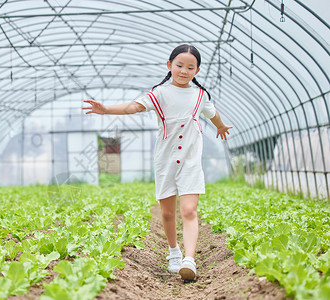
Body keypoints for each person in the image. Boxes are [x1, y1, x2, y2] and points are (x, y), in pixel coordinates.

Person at [83, 44, 232, 281]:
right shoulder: (160, 93)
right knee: (168, 213)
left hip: (191, 161)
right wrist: (107, 110)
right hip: (165, 160)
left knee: (189, 210)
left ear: (197, 71)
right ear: (169, 65)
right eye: (179, 65)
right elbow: (134, 106)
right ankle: (174, 252)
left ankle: (189, 260)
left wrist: (221, 126)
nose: (184, 71)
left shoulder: (200, 96)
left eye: (190, 67)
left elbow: (212, 113)